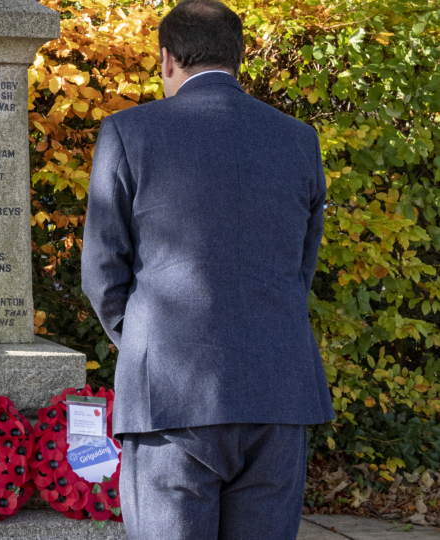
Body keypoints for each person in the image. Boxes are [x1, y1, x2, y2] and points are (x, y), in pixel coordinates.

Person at [80, 0, 336, 537]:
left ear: (167, 59)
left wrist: (150, 343)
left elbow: (103, 271)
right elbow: (300, 266)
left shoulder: (129, 132)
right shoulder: (298, 140)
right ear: (239, 58)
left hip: (171, 397)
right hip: (277, 388)